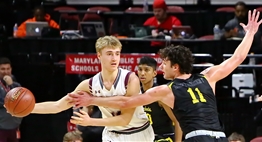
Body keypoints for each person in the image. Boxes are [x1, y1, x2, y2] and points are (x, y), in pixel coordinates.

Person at [68, 9, 262, 142]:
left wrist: (92, 98)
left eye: (165, 63)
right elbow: (238, 57)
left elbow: (126, 102)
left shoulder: (165, 90)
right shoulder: (208, 76)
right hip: (219, 136)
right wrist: (251, 33)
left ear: (175, 67)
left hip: (196, 138)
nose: (161, 67)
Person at [29, 36, 154, 142]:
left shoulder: (131, 79)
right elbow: (58, 106)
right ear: (99, 56)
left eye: (117, 53)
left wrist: (90, 121)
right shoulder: (89, 84)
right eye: (109, 54)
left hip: (138, 133)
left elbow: (125, 119)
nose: (114, 58)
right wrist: (28, 109)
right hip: (112, 135)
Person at [138, 56, 182, 142]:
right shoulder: (137, 93)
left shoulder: (160, 94)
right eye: (140, 69)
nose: (142, 73)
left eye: (146, 70)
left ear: (154, 73)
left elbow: (177, 121)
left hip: (163, 137)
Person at [0, 57, 22, 142]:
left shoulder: (16, 85)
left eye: (8, 68)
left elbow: (21, 100)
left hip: (14, 125)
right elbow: (3, 101)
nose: (6, 71)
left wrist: (11, 85)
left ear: (11, 69)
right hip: (1, 127)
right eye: (2, 69)